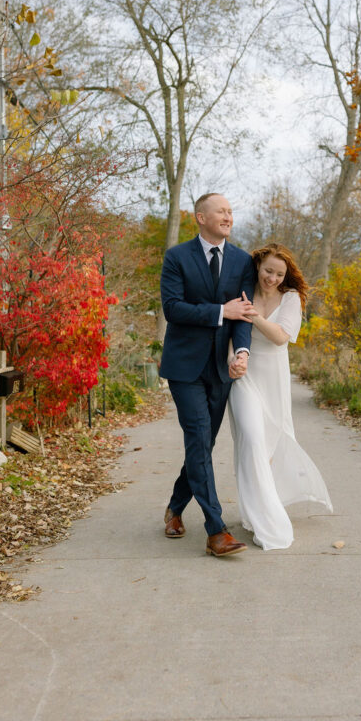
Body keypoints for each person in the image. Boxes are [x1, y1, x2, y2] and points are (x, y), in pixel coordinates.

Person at [160, 192, 256, 557]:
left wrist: (242, 352)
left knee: (203, 444)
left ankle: (174, 508)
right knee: (199, 440)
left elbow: (243, 313)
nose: (228, 216)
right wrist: (221, 312)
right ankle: (216, 530)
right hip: (184, 367)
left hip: (221, 368)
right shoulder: (177, 257)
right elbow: (173, 309)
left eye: (231, 211)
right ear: (201, 217)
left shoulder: (241, 260)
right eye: (221, 211)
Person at [228, 243, 332, 550]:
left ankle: (257, 508)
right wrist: (233, 359)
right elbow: (229, 331)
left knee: (270, 444)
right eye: (268, 271)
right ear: (258, 266)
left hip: (272, 378)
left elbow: (280, 337)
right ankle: (267, 517)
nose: (272, 278)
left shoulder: (290, 298)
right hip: (243, 377)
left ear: (286, 276)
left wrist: (253, 316)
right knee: (251, 439)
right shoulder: (242, 290)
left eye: (279, 273)